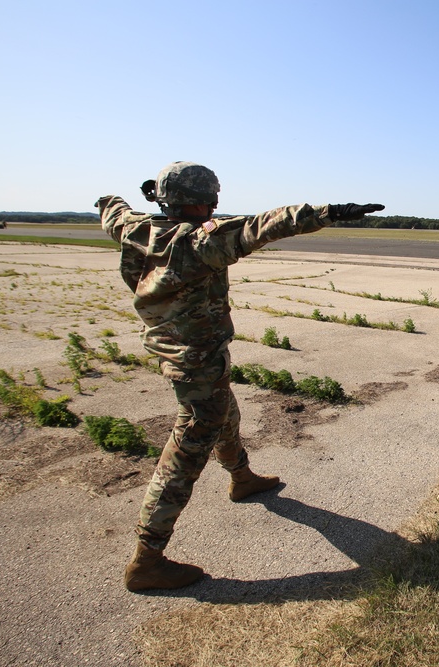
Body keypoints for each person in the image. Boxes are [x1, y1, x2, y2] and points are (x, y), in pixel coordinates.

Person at [95, 161, 383, 592]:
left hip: (180, 352)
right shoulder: (200, 243)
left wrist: (124, 198)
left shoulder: (137, 228)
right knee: (194, 437)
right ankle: (146, 559)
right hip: (196, 358)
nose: (216, 204)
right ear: (203, 201)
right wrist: (329, 212)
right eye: (212, 198)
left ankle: (241, 477)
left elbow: (111, 210)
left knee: (225, 409)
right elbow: (262, 226)